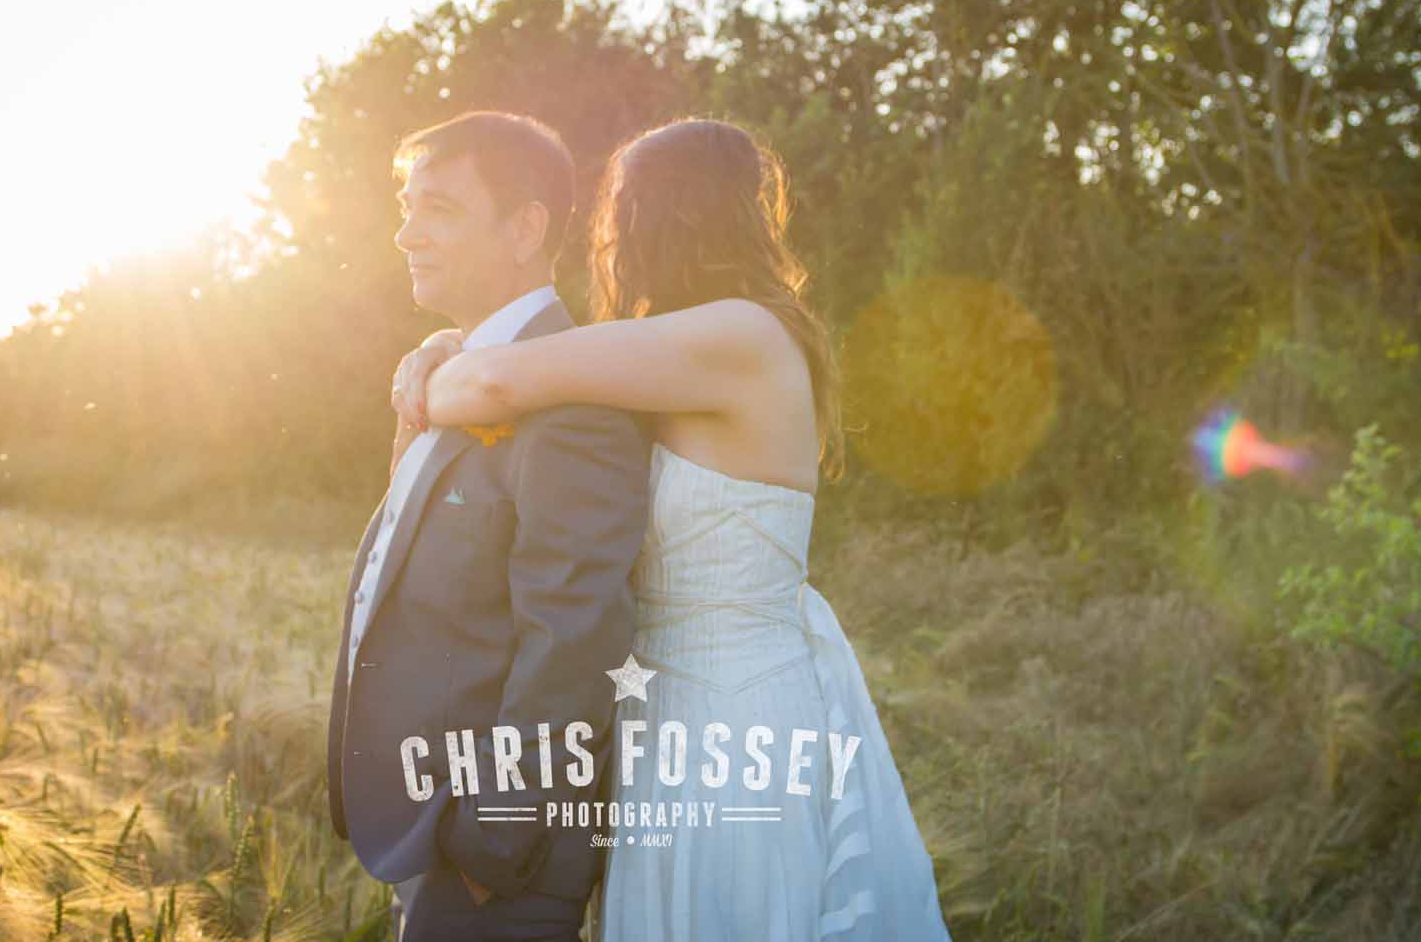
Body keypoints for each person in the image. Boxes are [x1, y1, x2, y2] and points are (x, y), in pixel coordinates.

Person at [393, 117, 952, 940]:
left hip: (732, 717)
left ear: (664, 217)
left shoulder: (740, 335)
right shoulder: (694, 347)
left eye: (622, 216)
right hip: (667, 712)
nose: (612, 244)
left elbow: (506, 383)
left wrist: (421, 381)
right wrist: (447, 343)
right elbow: (526, 366)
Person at [326, 111, 651, 942]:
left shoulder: (572, 397)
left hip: (498, 864)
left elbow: (575, 637)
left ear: (525, 228)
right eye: (405, 206)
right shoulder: (455, 370)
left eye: (436, 209)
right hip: (430, 831)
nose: (405, 234)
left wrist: (491, 841)